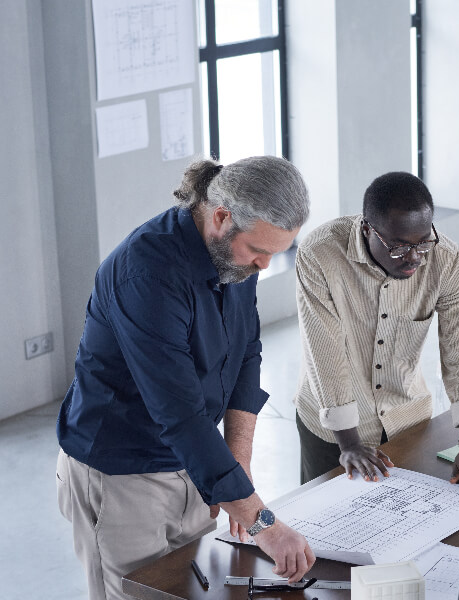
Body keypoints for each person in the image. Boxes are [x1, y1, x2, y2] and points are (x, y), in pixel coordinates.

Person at [56, 156, 315, 599]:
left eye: (276, 252)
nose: (264, 266)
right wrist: (263, 522)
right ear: (220, 217)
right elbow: (178, 413)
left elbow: (245, 355)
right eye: (260, 251)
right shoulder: (146, 274)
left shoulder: (236, 258)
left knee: (197, 590)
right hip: (121, 475)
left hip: (194, 463)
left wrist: (239, 472)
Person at [293, 171, 459, 491]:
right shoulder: (320, 254)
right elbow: (325, 352)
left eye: (423, 243)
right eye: (399, 247)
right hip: (333, 431)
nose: (414, 257)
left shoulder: (445, 260)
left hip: (407, 421)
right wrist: (348, 444)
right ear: (368, 229)